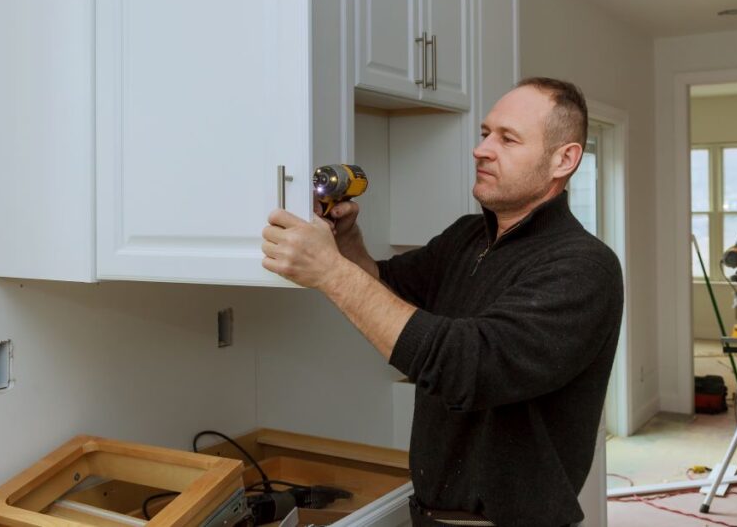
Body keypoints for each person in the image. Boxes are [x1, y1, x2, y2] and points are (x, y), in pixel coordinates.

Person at [261, 77, 624, 527]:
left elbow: (467, 368)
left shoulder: (584, 267)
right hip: (431, 514)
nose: (482, 149)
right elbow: (387, 288)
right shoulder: (466, 237)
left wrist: (330, 272)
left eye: (508, 139)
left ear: (563, 160)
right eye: (485, 133)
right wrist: (346, 245)